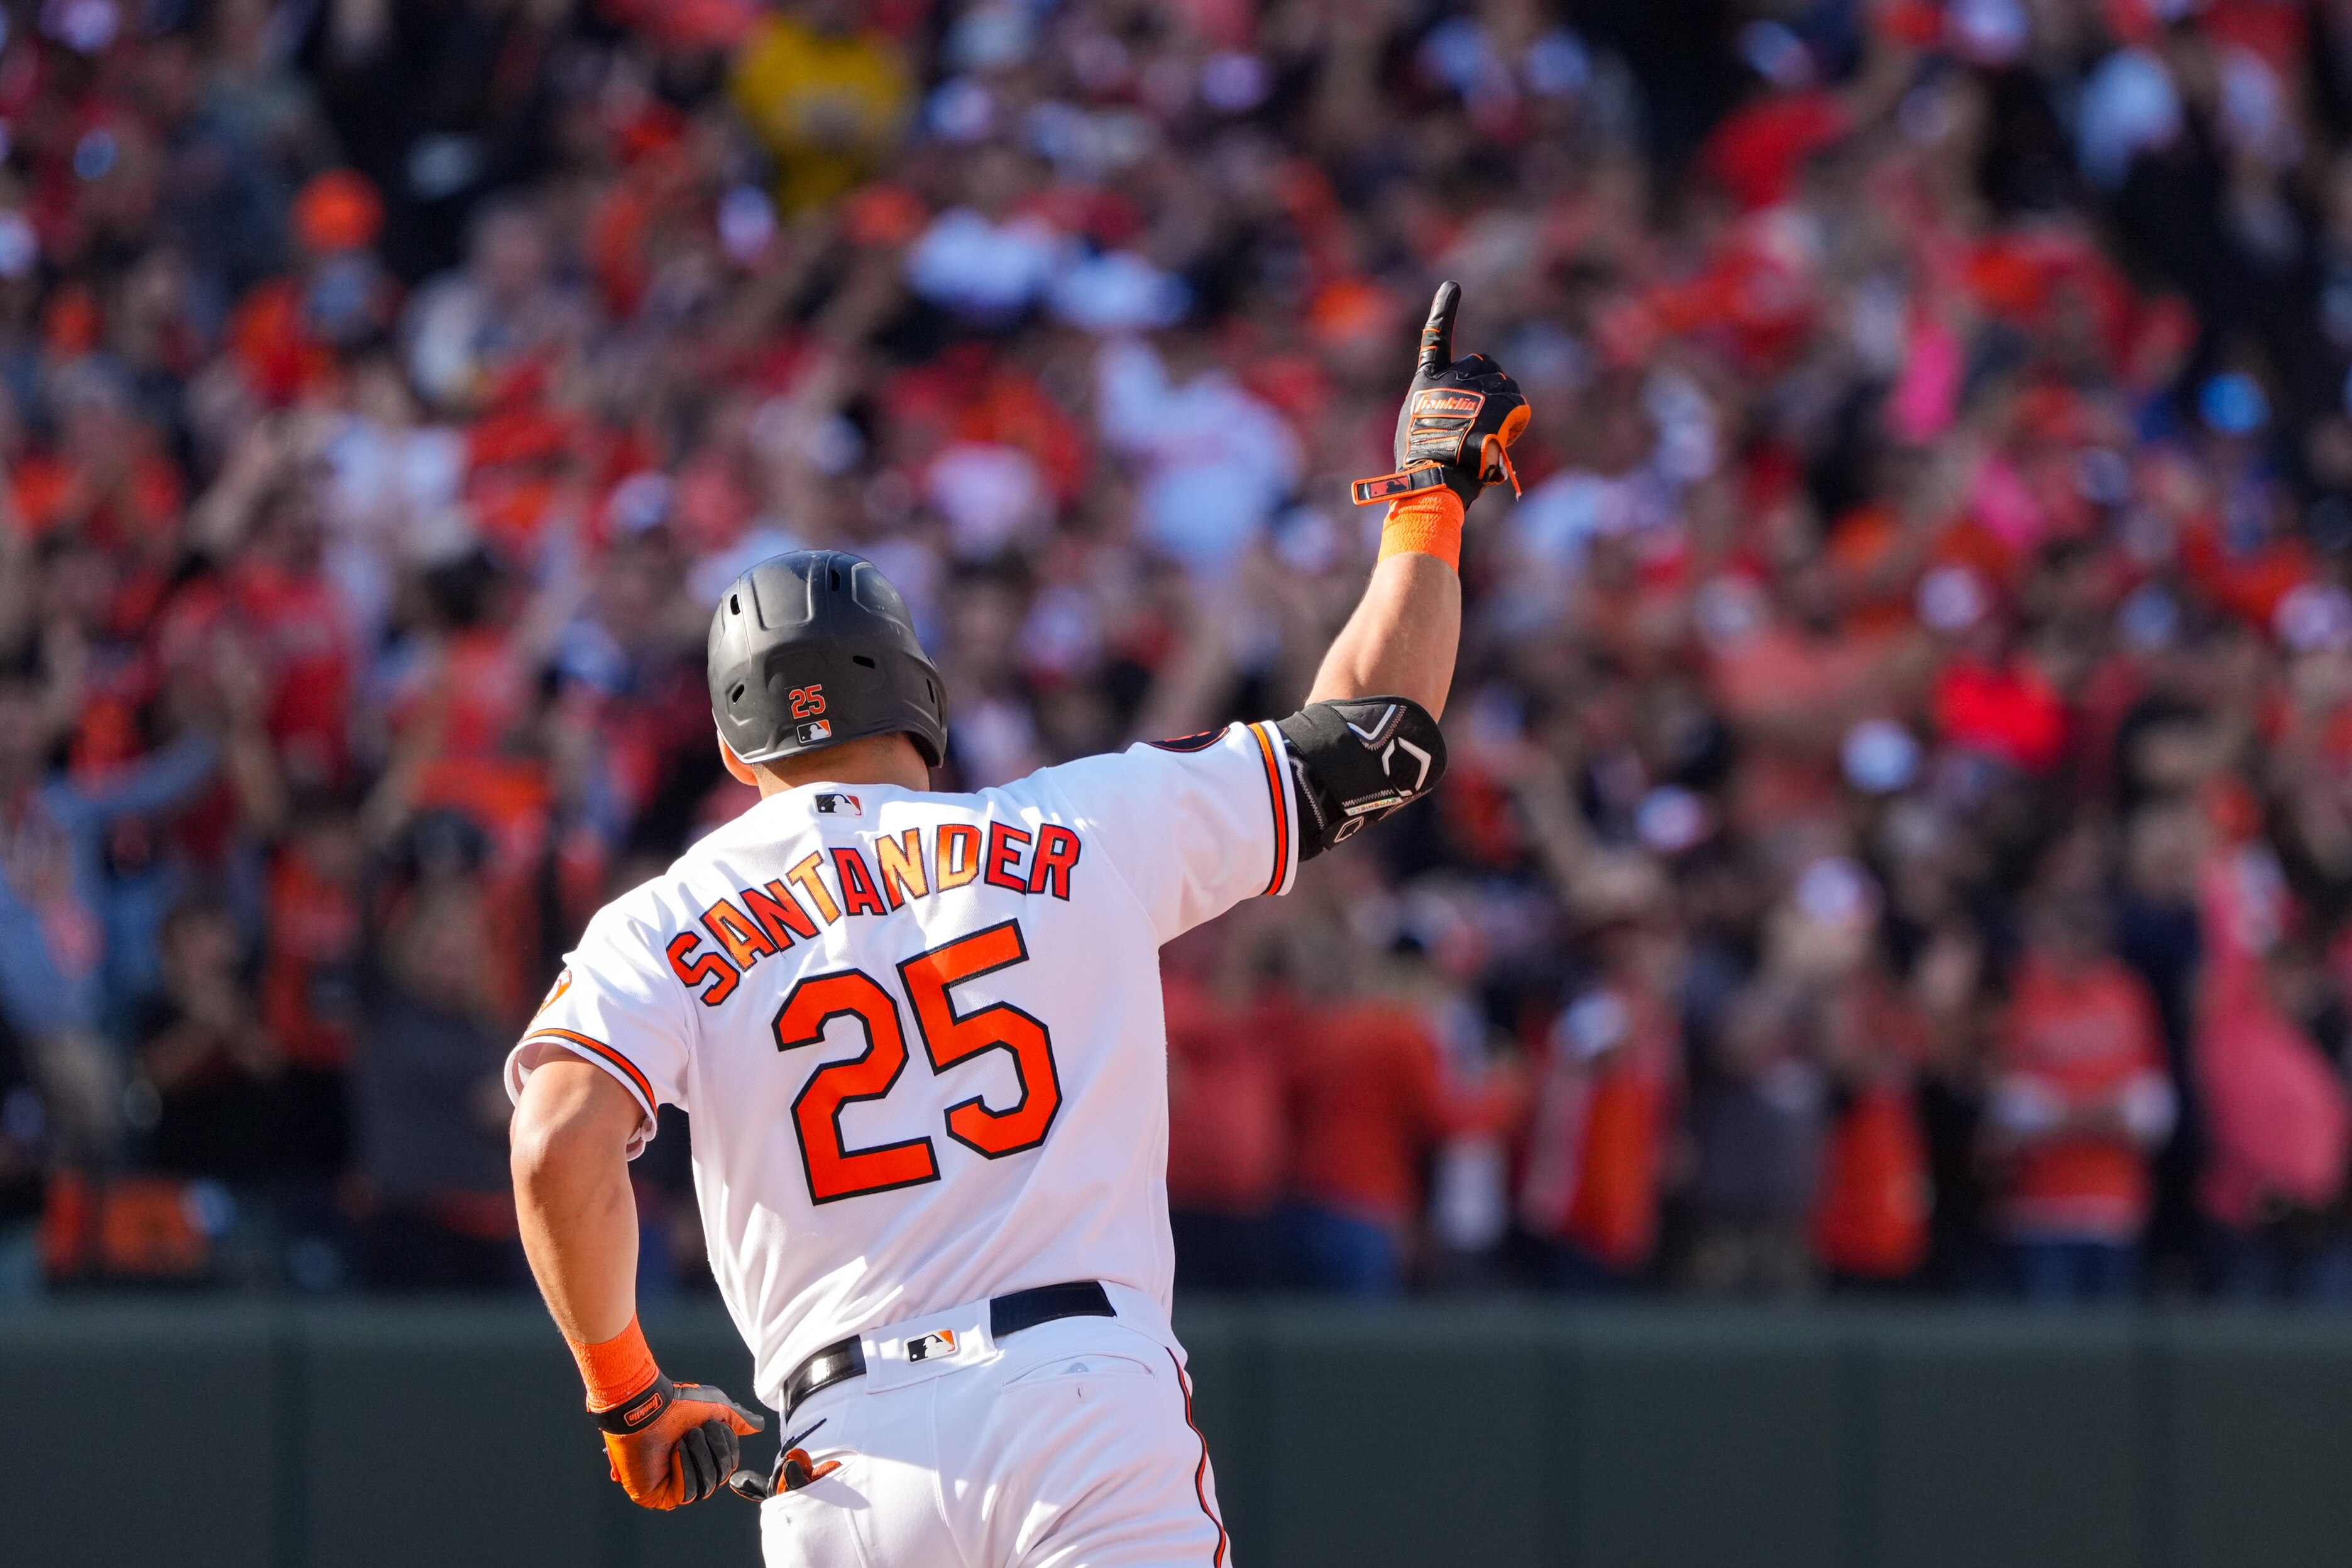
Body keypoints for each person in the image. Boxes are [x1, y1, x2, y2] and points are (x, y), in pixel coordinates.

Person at [502, 285, 1524, 1556]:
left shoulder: (658, 920)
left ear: (734, 741)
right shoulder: (1074, 827)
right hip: (1080, 1396)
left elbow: (554, 1142)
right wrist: (1429, 492)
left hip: (845, 1455)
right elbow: (1379, 741)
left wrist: (627, 1397)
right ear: (920, 699)